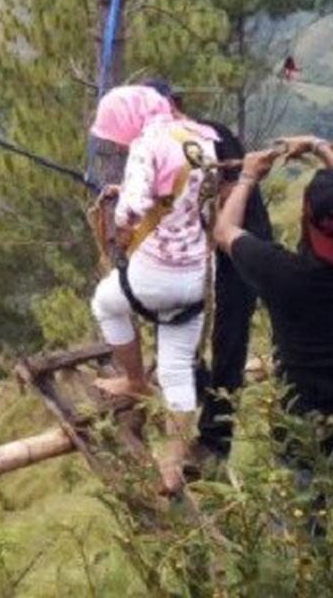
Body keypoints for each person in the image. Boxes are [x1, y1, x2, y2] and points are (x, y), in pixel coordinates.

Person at [214, 136, 333, 566]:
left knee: (302, 560)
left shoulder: (282, 274)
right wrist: (324, 151)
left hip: (301, 438)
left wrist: (247, 176)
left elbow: (224, 232)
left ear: (305, 218)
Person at [88, 85, 221, 493]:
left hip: (156, 275)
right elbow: (186, 193)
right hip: (199, 273)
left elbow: (131, 211)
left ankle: (133, 380)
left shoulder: (147, 144)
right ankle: (172, 468)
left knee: (106, 303)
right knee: (176, 369)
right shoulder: (198, 137)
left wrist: (123, 207)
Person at [143, 80, 274, 463]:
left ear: (173, 106)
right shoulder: (157, 149)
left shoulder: (213, 135)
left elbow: (232, 195)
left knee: (230, 339)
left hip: (237, 247)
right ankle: (194, 389)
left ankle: (216, 441)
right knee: (177, 322)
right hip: (192, 253)